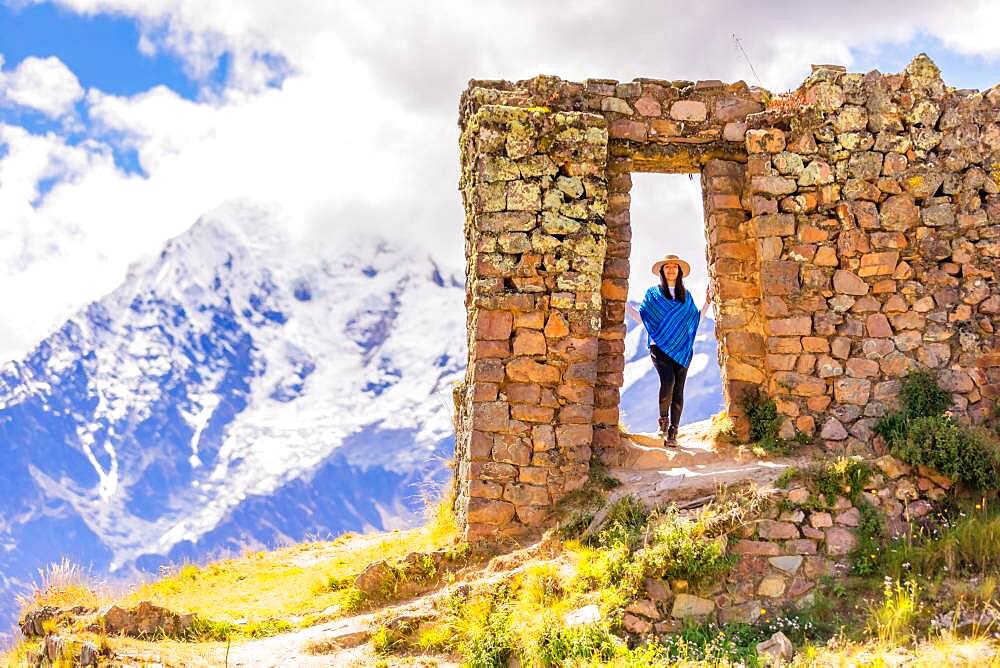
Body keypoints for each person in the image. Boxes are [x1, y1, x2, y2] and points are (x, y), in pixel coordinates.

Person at [624, 254, 713, 447]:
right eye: (667, 267)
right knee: (668, 383)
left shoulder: (686, 296)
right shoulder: (653, 295)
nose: (671, 269)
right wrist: (623, 304)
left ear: (679, 272)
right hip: (659, 347)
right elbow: (643, 318)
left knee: (679, 390)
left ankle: (673, 433)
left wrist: (707, 302)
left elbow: (694, 320)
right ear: (662, 272)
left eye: (675, 267)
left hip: (682, 349)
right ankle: (663, 424)